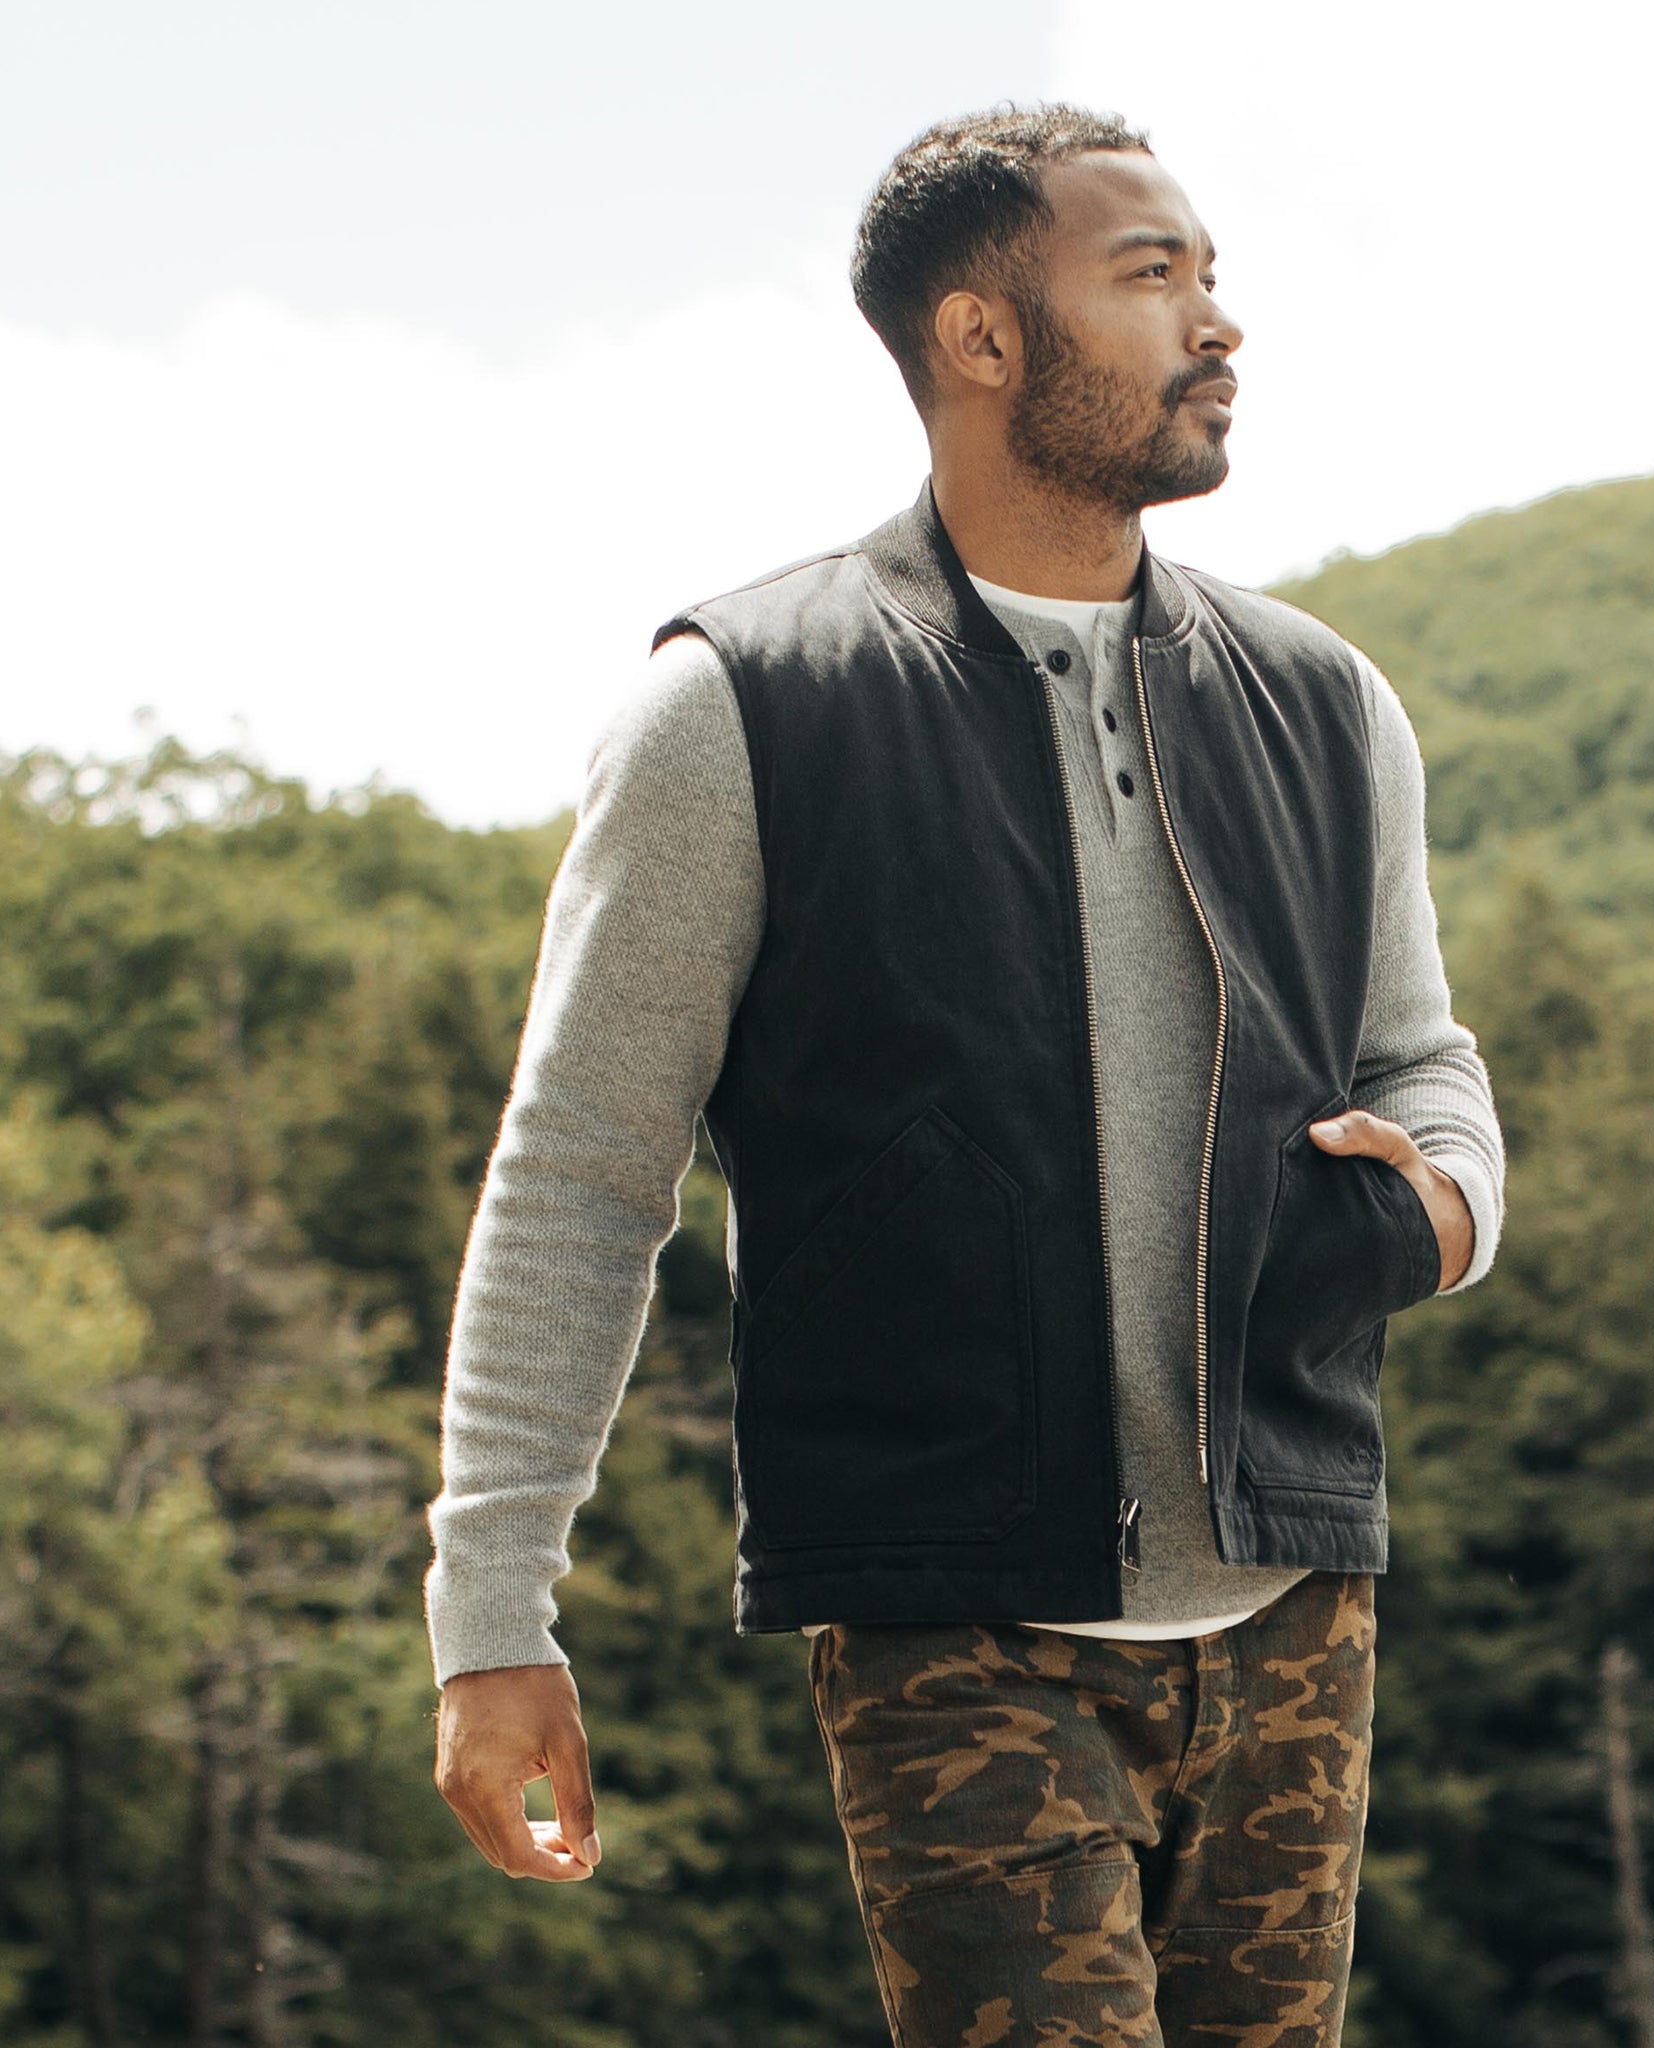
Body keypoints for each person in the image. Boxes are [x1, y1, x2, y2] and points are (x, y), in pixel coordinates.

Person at [426, 101, 1507, 2047]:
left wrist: (1446, 1205)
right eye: (1150, 276)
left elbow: (1418, 1051)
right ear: (980, 337)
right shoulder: (740, 707)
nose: (1217, 323)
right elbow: (580, 1173)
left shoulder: (1326, 700)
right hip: (954, 1634)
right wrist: (491, 1616)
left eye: (1212, 274)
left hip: (1295, 1611)